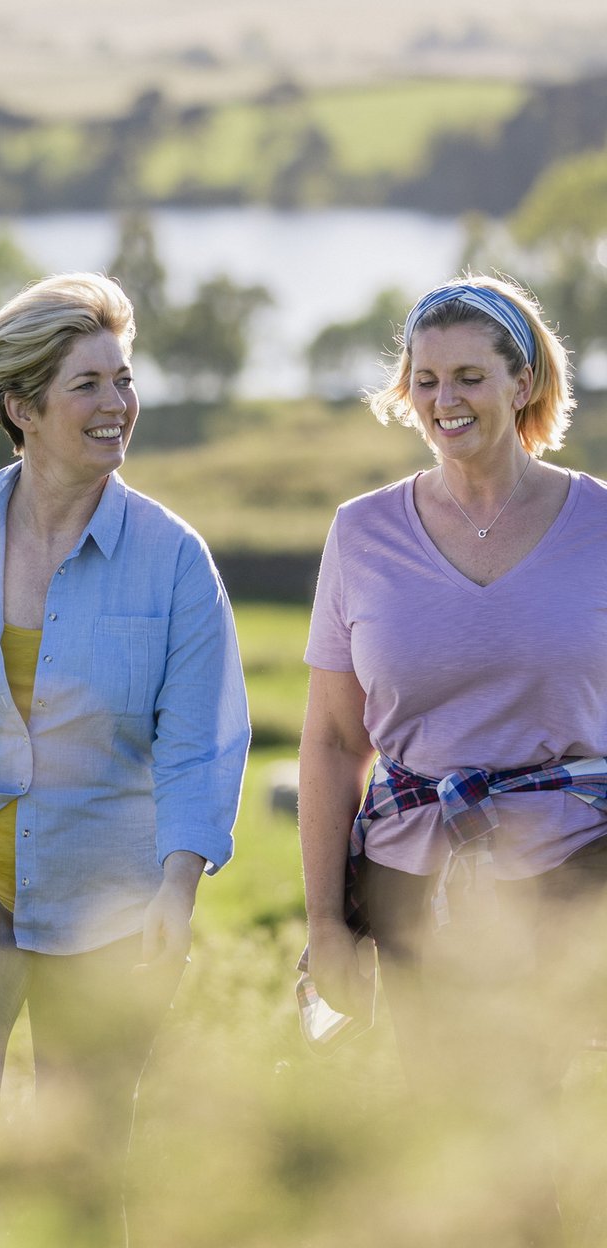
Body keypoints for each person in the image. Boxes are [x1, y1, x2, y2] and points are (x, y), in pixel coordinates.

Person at [0, 272, 249, 1246]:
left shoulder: (172, 559)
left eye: (123, 379)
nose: (117, 404)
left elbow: (202, 742)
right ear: (22, 407)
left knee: (86, 1148)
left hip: (108, 888)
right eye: (88, 385)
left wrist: (177, 888)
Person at [298, 273, 607, 1246]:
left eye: (469, 376)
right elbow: (335, 740)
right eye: (425, 379)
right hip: (410, 878)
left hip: (570, 870)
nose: (444, 402)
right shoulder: (362, 533)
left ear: (522, 383)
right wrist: (326, 922)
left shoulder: (601, 524)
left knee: (523, 1124)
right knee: (447, 1137)